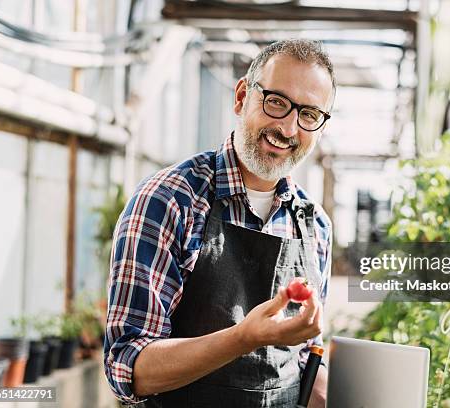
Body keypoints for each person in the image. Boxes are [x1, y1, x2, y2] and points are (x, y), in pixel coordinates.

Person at [104, 39, 335, 408]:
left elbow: (305, 356)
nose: (289, 128)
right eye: (277, 102)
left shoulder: (314, 224)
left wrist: (334, 387)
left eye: (309, 114)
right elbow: (129, 368)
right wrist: (243, 338)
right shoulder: (169, 201)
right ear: (242, 97)